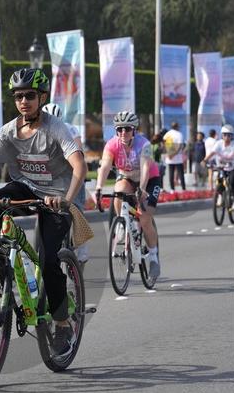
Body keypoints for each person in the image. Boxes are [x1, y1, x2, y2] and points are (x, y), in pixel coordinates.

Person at [0, 68, 87, 358]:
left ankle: (63, 323)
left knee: (49, 260)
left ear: (42, 98)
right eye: (18, 96)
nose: (23, 101)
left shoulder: (55, 128)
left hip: (55, 197)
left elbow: (79, 165)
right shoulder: (9, 131)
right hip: (25, 188)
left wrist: (66, 199)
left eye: (29, 95)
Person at [95, 111, 162, 279]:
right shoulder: (112, 144)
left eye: (127, 129)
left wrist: (143, 189)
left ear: (134, 130)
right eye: (119, 129)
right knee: (118, 191)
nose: (123, 132)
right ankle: (122, 223)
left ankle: (153, 257)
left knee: (144, 218)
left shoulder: (144, 144)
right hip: (128, 178)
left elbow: (145, 168)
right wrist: (99, 188)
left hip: (150, 180)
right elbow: (105, 166)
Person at [42, 102, 88, 269]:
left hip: (71, 174)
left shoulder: (70, 129)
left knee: (76, 209)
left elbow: (79, 153)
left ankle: (82, 252)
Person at [202, 124, 234, 210]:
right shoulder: (219, 143)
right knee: (219, 181)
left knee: (232, 183)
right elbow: (212, 152)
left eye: (229, 135)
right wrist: (205, 160)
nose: (227, 137)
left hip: (233, 168)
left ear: (232, 136)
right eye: (225, 135)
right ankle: (220, 197)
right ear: (222, 135)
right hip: (222, 167)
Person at [163, 121, 186, 191]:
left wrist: (168, 154)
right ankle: (183, 189)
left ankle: (172, 189)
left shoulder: (167, 134)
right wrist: (173, 154)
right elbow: (180, 146)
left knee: (171, 173)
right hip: (177, 157)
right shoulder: (179, 134)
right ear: (177, 126)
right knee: (181, 173)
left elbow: (164, 144)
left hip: (169, 157)